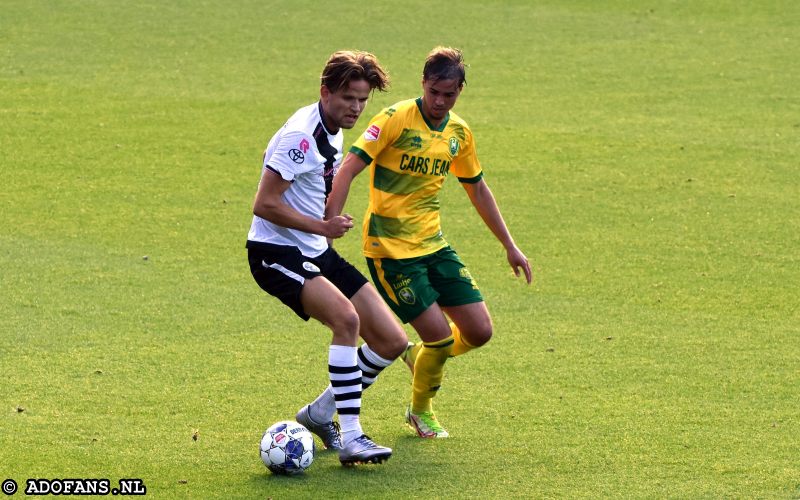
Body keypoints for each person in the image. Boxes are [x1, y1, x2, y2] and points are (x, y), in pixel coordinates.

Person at [326, 46, 532, 439]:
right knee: (438, 336)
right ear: (423, 83)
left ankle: (420, 358)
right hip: (390, 250)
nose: (439, 101)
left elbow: (478, 190)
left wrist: (510, 244)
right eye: (434, 91)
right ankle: (420, 411)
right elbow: (348, 168)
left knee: (479, 332)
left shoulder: (458, 133)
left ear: (459, 92)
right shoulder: (395, 118)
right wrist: (328, 225)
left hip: (433, 245)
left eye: (449, 94)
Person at [246, 50, 408, 465]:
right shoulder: (301, 137)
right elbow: (263, 204)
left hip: (315, 250)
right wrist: (323, 228)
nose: (356, 108)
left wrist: (325, 233)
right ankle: (352, 437)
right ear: (326, 92)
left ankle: (319, 414)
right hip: (275, 253)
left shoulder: (330, 127)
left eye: (362, 100)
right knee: (347, 320)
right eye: (348, 98)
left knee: (391, 340)